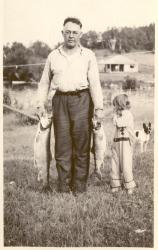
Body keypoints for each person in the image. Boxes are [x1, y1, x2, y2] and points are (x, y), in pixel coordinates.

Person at [37, 17, 104, 193]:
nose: (71, 36)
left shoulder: (88, 55)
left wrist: (99, 107)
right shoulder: (53, 55)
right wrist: (39, 103)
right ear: (63, 33)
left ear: (80, 34)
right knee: (62, 146)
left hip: (82, 100)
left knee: (82, 144)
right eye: (68, 32)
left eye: (75, 32)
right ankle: (64, 186)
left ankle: (79, 186)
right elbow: (44, 83)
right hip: (59, 101)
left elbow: (95, 83)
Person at [110, 94, 136, 194]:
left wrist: (115, 116)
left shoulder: (127, 114)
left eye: (115, 105)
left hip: (126, 142)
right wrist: (115, 116)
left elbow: (120, 123)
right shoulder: (118, 114)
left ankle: (129, 185)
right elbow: (115, 123)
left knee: (126, 164)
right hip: (117, 141)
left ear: (120, 104)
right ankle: (115, 184)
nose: (114, 107)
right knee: (115, 163)